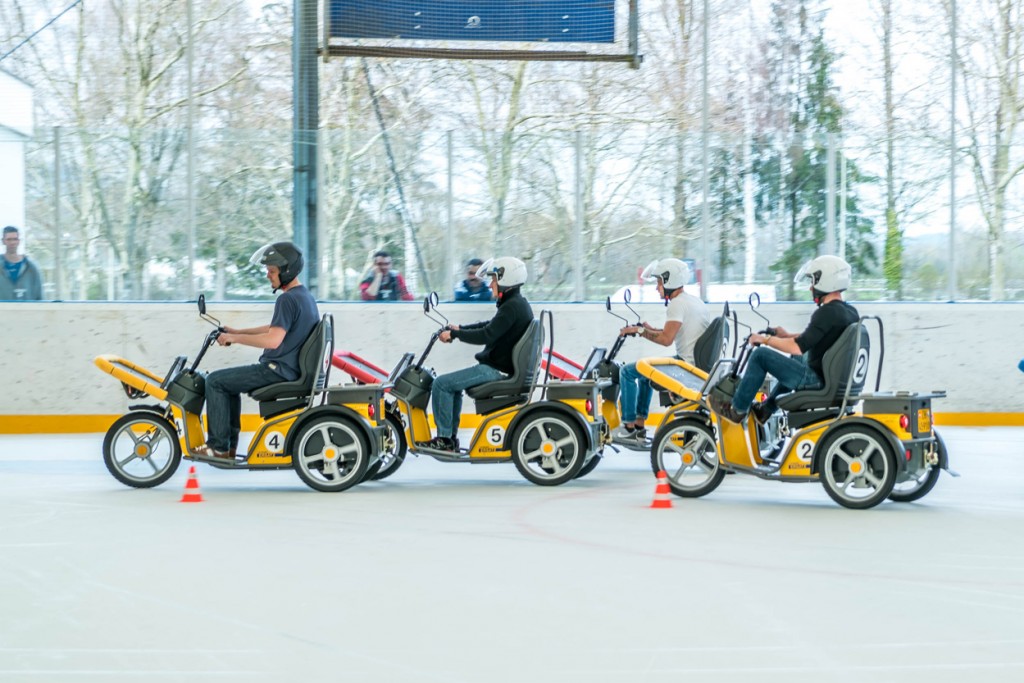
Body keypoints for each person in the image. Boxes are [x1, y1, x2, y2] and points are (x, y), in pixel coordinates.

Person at [191, 242, 319, 460]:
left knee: (215, 381)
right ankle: (228, 448)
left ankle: (219, 447)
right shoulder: (304, 296)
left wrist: (234, 338)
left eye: (272, 271)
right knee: (227, 384)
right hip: (289, 370)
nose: (268, 276)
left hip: (277, 370)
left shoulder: (287, 299)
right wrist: (237, 331)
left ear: (286, 272)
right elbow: (275, 328)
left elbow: (273, 340)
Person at [709, 254, 859, 425]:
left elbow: (797, 347)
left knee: (760, 356)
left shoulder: (826, 312)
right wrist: (785, 336)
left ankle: (737, 410)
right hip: (829, 379)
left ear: (826, 280)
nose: (811, 288)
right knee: (798, 358)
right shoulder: (849, 312)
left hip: (815, 380)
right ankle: (766, 409)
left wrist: (764, 340)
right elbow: (813, 338)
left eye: (813, 281)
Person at [425, 256, 533, 451]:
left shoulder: (511, 307)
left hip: (494, 370)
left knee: (441, 384)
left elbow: (487, 334)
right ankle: (449, 439)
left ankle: (444, 440)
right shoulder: (516, 303)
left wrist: (455, 334)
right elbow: (491, 326)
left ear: (505, 279)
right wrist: (460, 328)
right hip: (500, 368)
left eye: (494, 279)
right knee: (451, 386)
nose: (490, 284)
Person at [613, 258, 710, 442]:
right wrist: (648, 329)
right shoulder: (694, 301)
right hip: (692, 364)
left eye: (658, 283)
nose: (657, 288)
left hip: (684, 366)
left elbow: (666, 339)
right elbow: (670, 331)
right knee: (644, 372)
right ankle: (639, 425)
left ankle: (629, 426)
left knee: (626, 372)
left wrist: (640, 331)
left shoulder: (676, 304)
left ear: (669, 281)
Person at [1, 226, 43, 300]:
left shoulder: (31, 268)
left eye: (15, 239)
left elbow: (39, 296)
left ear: (19, 241)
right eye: (9, 239)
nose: (12, 242)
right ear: (3, 241)